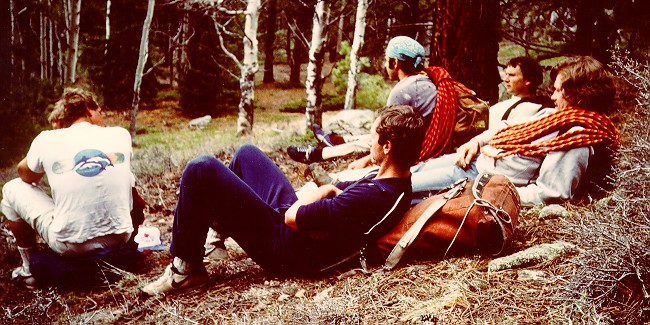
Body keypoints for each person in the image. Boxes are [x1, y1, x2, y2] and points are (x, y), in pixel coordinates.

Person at [142, 105, 425, 295]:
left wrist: (320, 195)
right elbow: (335, 197)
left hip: (287, 251)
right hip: (300, 232)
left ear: (387, 146)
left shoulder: (375, 195)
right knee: (247, 153)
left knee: (201, 168)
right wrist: (324, 197)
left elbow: (294, 216)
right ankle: (217, 231)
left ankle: (185, 269)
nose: (368, 141)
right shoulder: (394, 180)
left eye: (372, 136)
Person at [409, 56, 619, 206]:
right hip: (478, 159)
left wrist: (490, 194)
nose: (553, 97)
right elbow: (507, 127)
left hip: (479, 178)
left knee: (405, 187)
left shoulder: (575, 139)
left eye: (557, 90)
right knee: (413, 171)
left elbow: (550, 193)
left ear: (579, 95)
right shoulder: (554, 116)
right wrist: (476, 142)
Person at [1, 88, 135, 288]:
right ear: (89, 109)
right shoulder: (120, 134)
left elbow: (25, 175)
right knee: (125, 176)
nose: (103, 118)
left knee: (11, 189)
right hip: (121, 236)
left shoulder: (47, 139)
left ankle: (28, 270)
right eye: (100, 112)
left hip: (72, 246)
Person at [287, 36, 437, 166]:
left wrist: (367, 160)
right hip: (422, 140)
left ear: (395, 63)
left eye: (386, 60)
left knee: (378, 134)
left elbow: (382, 136)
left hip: (415, 148)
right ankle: (338, 140)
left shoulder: (403, 90)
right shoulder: (426, 81)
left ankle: (318, 154)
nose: (385, 66)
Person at [489, 56, 554, 129]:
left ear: (528, 80)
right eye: (506, 74)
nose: (505, 79)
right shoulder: (503, 106)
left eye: (512, 75)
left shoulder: (529, 108)